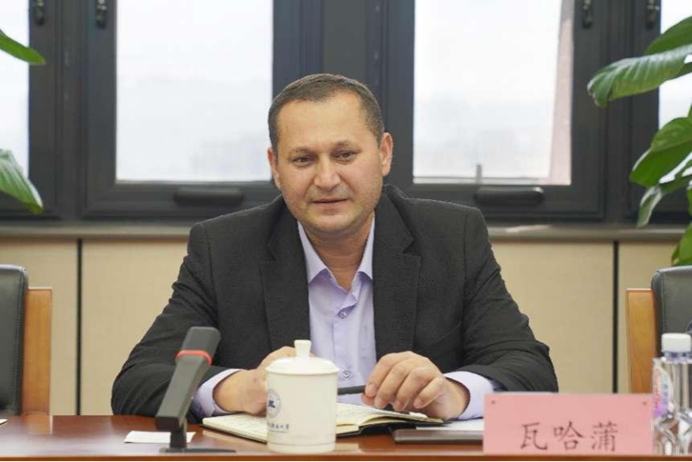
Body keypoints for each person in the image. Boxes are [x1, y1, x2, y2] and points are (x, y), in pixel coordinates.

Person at [112, 74, 557, 422]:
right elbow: (138, 381)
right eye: (303, 159)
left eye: (345, 155)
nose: (326, 179)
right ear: (276, 167)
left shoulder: (451, 236)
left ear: (384, 153)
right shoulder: (224, 249)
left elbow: (531, 371)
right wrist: (239, 389)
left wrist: (452, 393)